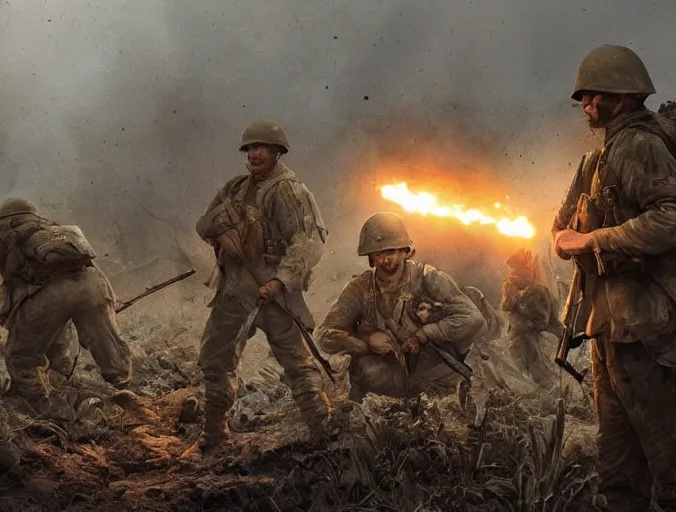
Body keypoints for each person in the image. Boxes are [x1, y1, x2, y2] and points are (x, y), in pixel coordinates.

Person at [552, 45, 676, 511]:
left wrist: (595, 240)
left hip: (648, 329)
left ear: (620, 98)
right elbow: (563, 226)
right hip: (610, 329)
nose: (584, 106)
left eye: (591, 97)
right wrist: (566, 235)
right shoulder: (599, 158)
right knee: (619, 473)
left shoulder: (640, 145)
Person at [195, 119, 331, 448]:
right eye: (251, 148)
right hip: (235, 290)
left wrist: (282, 281)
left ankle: (323, 433)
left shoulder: (288, 190)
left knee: (297, 363)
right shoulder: (234, 188)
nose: (255, 154)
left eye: (263, 149)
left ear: (277, 153)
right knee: (216, 359)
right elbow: (204, 223)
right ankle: (213, 435)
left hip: (274, 291)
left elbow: (307, 242)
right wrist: (222, 235)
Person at [0, 197, 132, 416]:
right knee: (107, 348)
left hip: (51, 294)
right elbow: (87, 264)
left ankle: (52, 415)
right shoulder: (49, 225)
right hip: (93, 282)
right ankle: (128, 394)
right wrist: (107, 305)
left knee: (21, 359)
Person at [315, 211, 485, 401]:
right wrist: (367, 343)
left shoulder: (429, 278)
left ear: (404, 251)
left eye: (390, 251)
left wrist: (424, 335)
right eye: (378, 254)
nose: (385, 260)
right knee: (369, 371)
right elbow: (324, 334)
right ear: (371, 258)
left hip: (431, 369)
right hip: (389, 378)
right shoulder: (360, 289)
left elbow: (472, 318)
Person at [498, 249, 563, 384]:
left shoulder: (540, 289)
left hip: (535, 335)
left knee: (540, 373)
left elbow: (547, 318)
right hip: (520, 335)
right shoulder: (511, 284)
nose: (515, 272)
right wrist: (518, 296)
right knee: (523, 373)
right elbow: (506, 305)